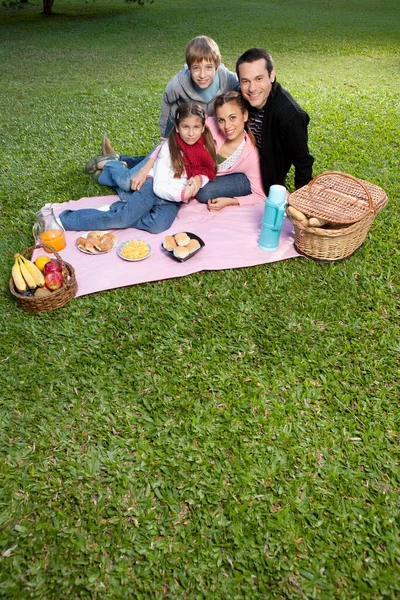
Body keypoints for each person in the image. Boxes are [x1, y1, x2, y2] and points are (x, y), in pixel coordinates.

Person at [85, 35, 238, 191]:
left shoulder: (228, 79)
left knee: (169, 165)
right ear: (189, 67)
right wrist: (164, 135)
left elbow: (243, 90)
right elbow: (166, 102)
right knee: (155, 167)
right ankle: (110, 166)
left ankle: (117, 160)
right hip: (179, 126)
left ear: (217, 66)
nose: (202, 74)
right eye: (196, 68)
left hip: (201, 131)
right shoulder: (178, 83)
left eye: (208, 67)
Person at [60, 102, 219, 233]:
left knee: (158, 226)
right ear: (177, 128)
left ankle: (123, 208)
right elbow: (159, 186)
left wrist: (198, 180)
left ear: (203, 127)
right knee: (122, 219)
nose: (191, 133)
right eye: (185, 127)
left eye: (196, 127)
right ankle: (64, 220)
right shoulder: (169, 148)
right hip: (155, 186)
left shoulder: (205, 147)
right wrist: (183, 194)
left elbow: (206, 170)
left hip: (174, 196)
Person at [236, 48, 314, 195]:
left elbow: (303, 162)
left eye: (259, 79)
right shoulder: (240, 98)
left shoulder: (290, 115)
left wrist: (303, 203)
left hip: (262, 179)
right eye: (245, 81)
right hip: (237, 165)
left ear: (272, 75)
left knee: (207, 191)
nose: (252, 88)